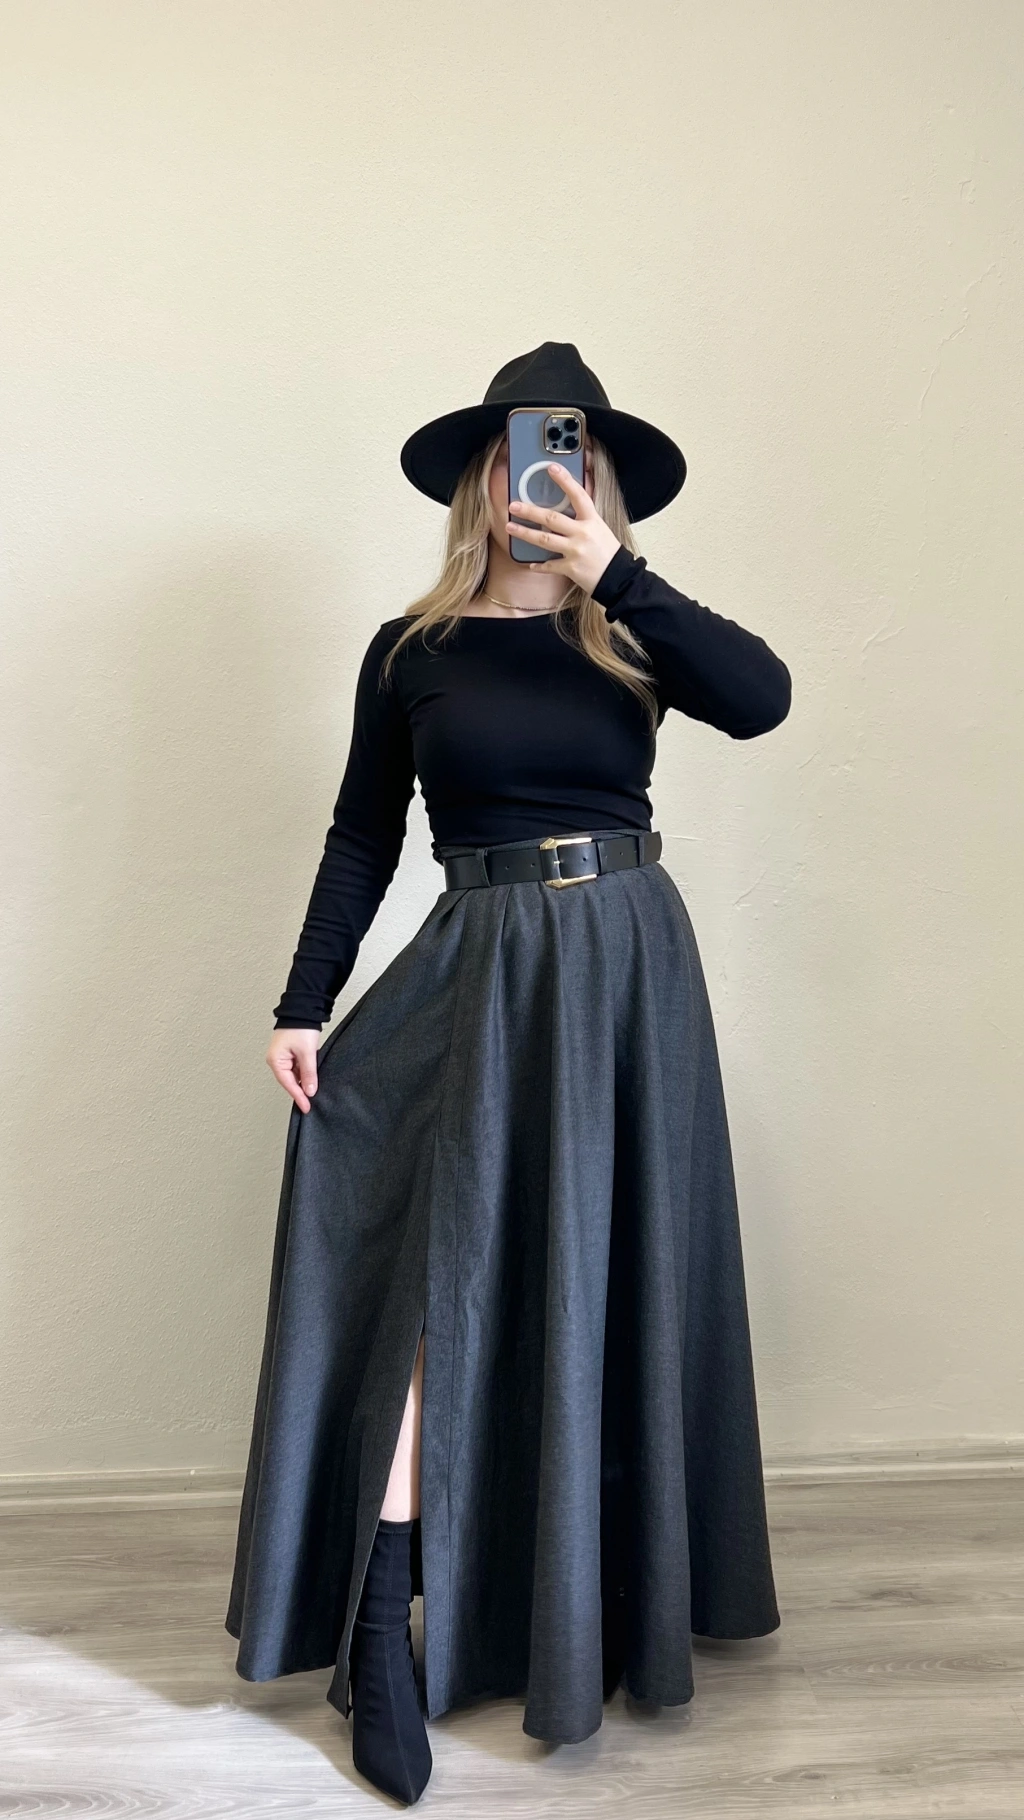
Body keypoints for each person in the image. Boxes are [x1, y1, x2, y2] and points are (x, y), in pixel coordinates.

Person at [225, 341, 791, 1806]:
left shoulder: (632, 629)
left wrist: (621, 575)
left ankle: (582, 1597)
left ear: (596, 482)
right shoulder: (411, 650)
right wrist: (305, 1001)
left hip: (626, 969)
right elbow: (364, 832)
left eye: (572, 457)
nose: (544, 477)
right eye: (526, 453)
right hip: (479, 964)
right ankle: (380, 1620)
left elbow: (765, 700)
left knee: (603, 1275)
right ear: (483, 475)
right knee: (439, 1285)